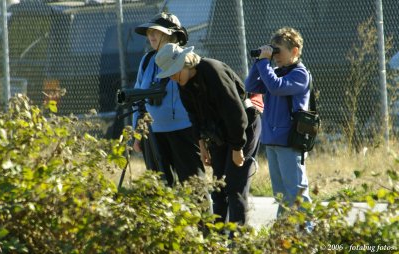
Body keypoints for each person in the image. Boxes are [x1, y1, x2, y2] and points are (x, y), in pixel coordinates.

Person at [155, 43, 262, 227]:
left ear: (184, 63)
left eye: (173, 71)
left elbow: (236, 113)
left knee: (234, 187)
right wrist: (202, 145)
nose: (172, 77)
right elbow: (194, 116)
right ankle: (217, 239)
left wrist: (237, 148)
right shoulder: (183, 83)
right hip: (218, 133)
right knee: (218, 187)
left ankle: (238, 241)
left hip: (242, 129)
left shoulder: (213, 71)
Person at [245, 27, 312, 218]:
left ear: (295, 51)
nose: (275, 56)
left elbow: (275, 87)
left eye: (278, 51)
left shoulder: (300, 74)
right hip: (273, 139)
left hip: (289, 140)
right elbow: (251, 86)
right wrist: (259, 62)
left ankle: (307, 233)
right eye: (273, 51)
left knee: (296, 192)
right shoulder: (274, 71)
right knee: (281, 194)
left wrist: (265, 63)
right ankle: (284, 233)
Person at [132, 12, 204, 186]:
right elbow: (137, 98)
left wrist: (202, 135)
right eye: (149, 32)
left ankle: (200, 214)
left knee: (194, 187)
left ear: (171, 34)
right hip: (153, 133)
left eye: (156, 31)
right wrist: (137, 134)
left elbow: (200, 98)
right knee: (158, 189)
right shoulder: (147, 60)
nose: (151, 35)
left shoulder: (187, 59)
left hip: (185, 131)